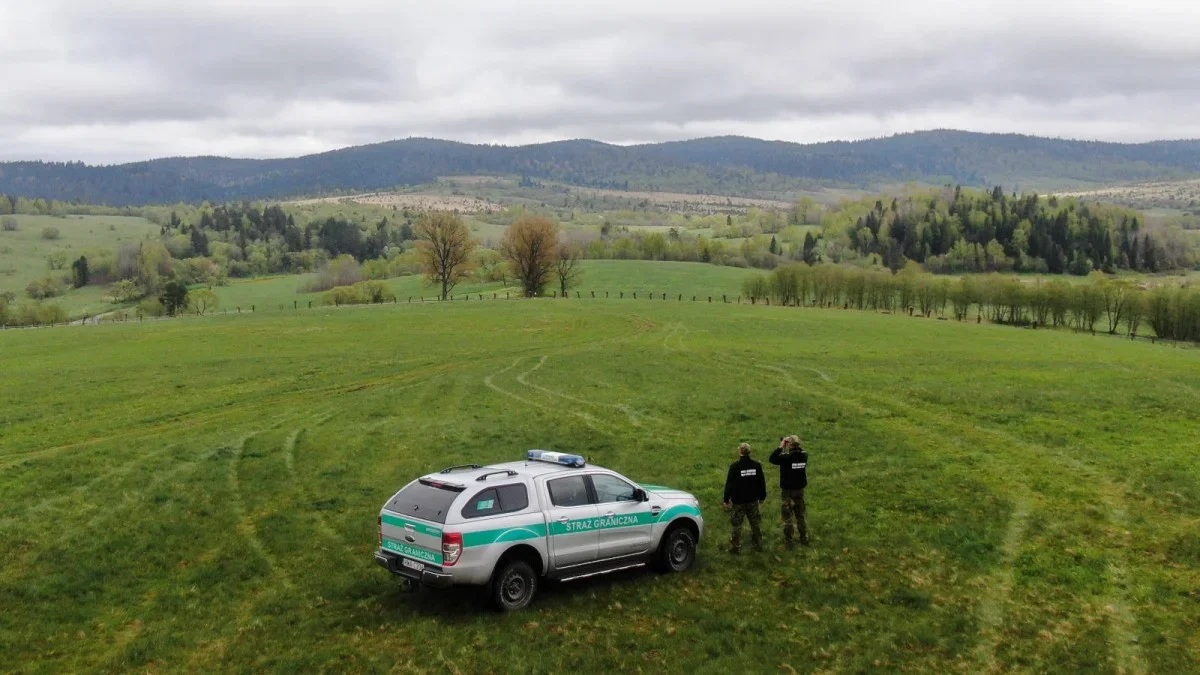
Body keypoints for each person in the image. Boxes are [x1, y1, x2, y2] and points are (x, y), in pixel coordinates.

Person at [723, 442, 766, 554]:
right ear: (749, 452)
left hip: (738, 501)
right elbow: (761, 482)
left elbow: (729, 484)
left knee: (737, 525)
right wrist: (762, 496)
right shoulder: (756, 465)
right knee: (755, 523)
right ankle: (758, 543)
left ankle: (735, 547)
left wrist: (726, 500)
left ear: (740, 452)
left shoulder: (735, 467)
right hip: (752, 500)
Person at [769, 435, 809, 547]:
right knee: (800, 514)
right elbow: (798, 452)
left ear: (789, 445)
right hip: (799, 490)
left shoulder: (785, 458)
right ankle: (803, 537)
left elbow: (772, 459)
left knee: (787, 516)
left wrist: (781, 446)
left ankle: (789, 540)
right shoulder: (804, 455)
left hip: (787, 491)